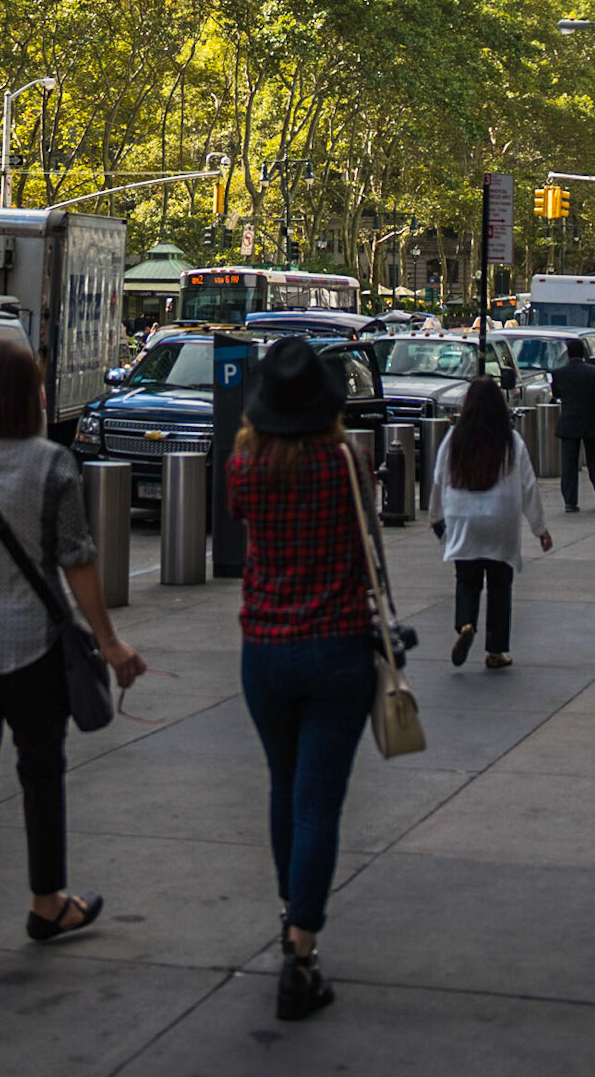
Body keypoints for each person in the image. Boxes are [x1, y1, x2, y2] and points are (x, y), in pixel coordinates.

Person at [0, 340, 145, 984]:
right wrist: (109, 643)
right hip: (31, 651)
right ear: (30, 400)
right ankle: (48, 904)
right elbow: (76, 559)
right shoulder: (52, 466)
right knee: (42, 775)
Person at [226, 338, 377, 1023]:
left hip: (264, 645)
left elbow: (238, 519)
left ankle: (292, 913)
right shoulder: (347, 460)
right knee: (318, 800)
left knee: (282, 789)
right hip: (338, 645)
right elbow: (367, 540)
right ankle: (301, 948)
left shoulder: (244, 465)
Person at [429, 375, 552, 671]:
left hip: (463, 517)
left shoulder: (454, 438)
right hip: (501, 518)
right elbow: (528, 485)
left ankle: (466, 624)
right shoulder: (511, 440)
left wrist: (436, 517)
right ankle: (496, 651)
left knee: (467, 579)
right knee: (500, 583)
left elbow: (438, 480)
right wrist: (540, 528)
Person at [551, 337, 595, 512]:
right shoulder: (592, 371)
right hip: (590, 421)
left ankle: (570, 501)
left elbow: (556, 393)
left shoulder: (558, 373)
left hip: (569, 422)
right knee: (594, 460)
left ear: (568, 353)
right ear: (583, 353)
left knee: (569, 463)